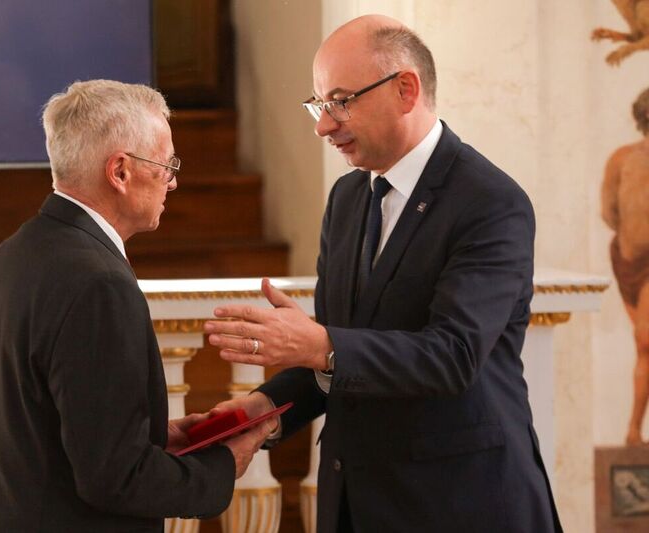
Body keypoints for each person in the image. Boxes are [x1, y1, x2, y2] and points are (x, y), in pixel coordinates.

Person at [204, 15, 563, 533]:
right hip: (355, 501)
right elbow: (342, 354)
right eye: (320, 104)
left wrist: (320, 344)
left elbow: (453, 356)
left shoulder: (491, 202)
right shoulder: (347, 198)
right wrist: (255, 416)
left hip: (461, 504)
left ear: (406, 89)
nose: (323, 125)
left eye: (341, 101)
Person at [0, 80, 273, 532]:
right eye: (167, 164)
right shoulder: (99, 283)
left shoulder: (15, 250)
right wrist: (223, 465)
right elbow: (114, 478)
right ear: (120, 172)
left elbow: (41, 422)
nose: (174, 179)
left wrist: (149, 436)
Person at [601, 87, 649, 446]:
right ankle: (633, 431)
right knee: (644, 345)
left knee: (644, 339)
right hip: (626, 261)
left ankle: (634, 428)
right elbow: (609, 211)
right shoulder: (621, 158)